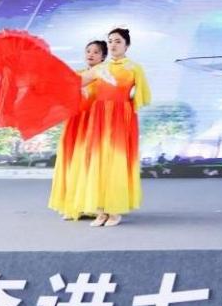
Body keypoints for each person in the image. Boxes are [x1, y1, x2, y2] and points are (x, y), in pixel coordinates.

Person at [81, 27, 151, 227]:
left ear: (127, 45)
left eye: (118, 41)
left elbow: (143, 96)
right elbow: (77, 82)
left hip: (121, 117)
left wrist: (126, 101)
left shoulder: (134, 68)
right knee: (98, 160)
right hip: (100, 117)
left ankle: (115, 210)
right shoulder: (100, 68)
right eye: (110, 41)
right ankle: (100, 210)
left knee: (116, 161)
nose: (113, 44)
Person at [48, 40, 108, 220]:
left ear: (103, 56)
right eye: (88, 51)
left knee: (92, 162)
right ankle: (75, 205)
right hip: (76, 123)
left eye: (96, 52)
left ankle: (95, 205)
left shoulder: (105, 76)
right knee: (73, 161)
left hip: (96, 123)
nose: (91, 54)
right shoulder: (77, 75)